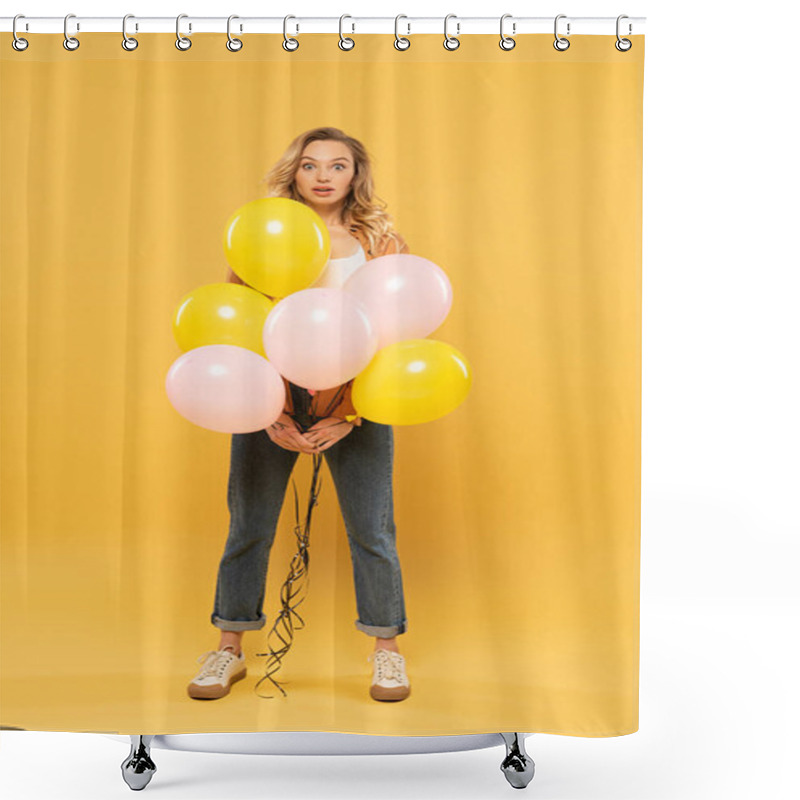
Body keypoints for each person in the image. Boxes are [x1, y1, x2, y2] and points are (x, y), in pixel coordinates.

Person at [188, 127, 411, 703]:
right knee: (249, 526)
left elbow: (395, 335)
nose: (323, 176)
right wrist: (267, 411)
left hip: (359, 398)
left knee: (372, 530)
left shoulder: (381, 242)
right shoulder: (268, 235)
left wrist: (354, 414)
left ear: (354, 176)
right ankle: (227, 651)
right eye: (311, 165)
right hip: (270, 393)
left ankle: (387, 655)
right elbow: (239, 324)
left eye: (338, 166)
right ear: (295, 172)